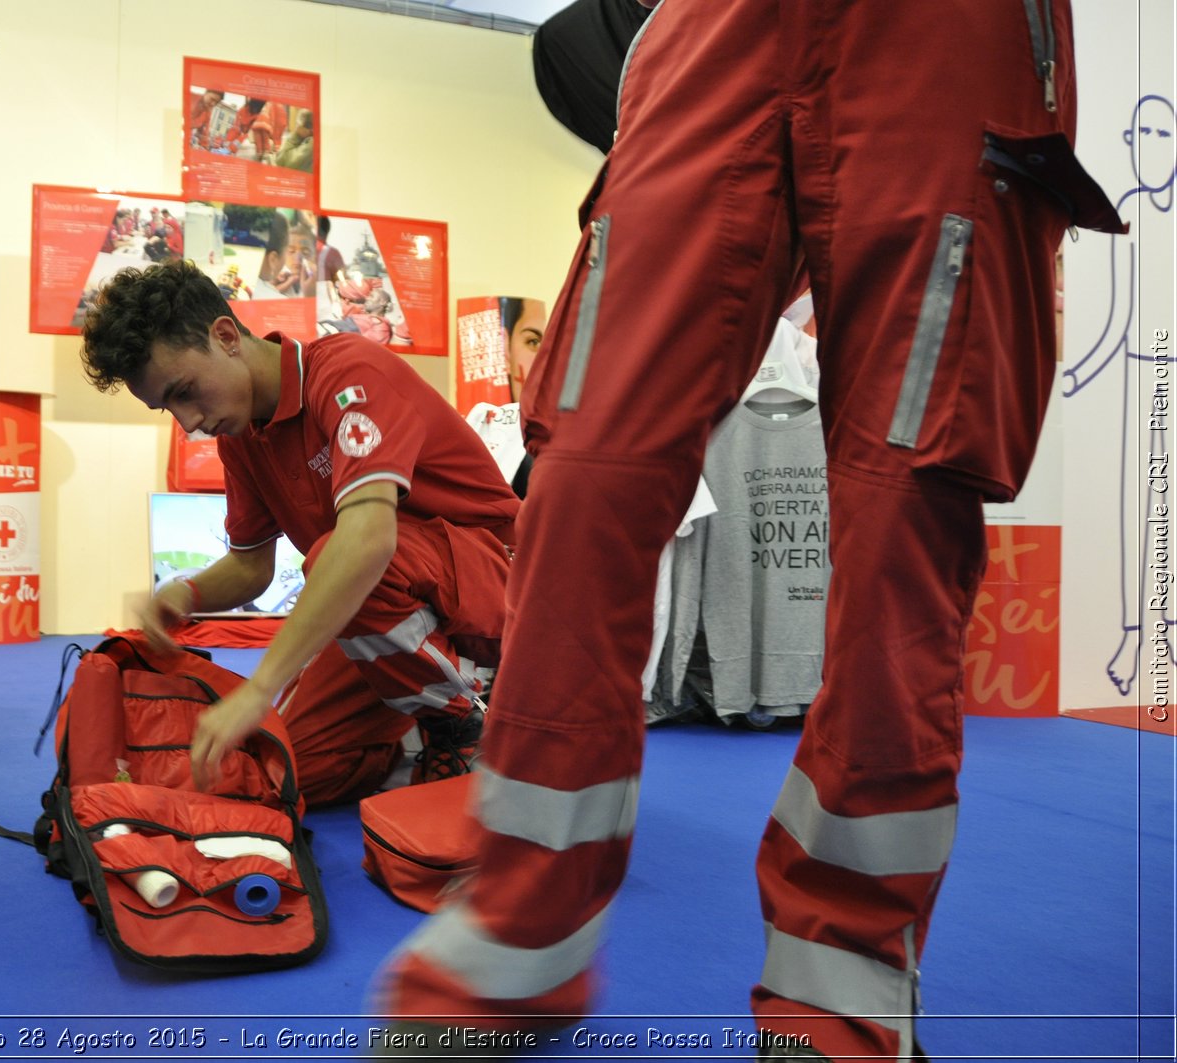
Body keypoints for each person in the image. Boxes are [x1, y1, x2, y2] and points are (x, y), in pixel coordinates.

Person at [371, 3, 1124, 1060]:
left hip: (948, 36)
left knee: (905, 520)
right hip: (714, 25)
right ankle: (517, 933)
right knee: (585, 475)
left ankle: (838, 986)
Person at [79, 259, 518, 794]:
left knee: (345, 551)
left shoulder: (348, 371)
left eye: (185, 391)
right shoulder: (241, 437)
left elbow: (369, 540)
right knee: (288, 770)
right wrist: (184, 593)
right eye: (167, 408)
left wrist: (262, 685)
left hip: (505, 591)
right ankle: (423, 729)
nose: (188, 421)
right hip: (396, 608)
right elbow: (250, 566)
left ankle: (473, 719)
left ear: (225, 336)